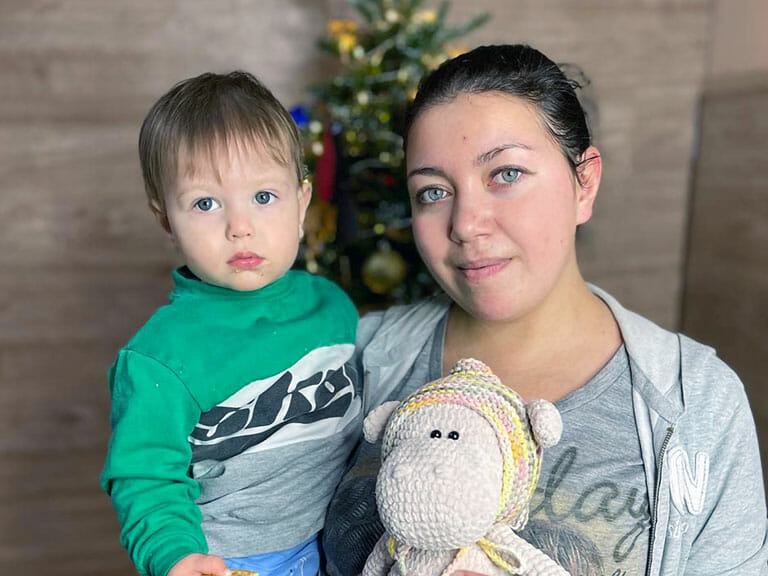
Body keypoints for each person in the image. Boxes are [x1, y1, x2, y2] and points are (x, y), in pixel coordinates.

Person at [323, 44, 768, 575]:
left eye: (506, 174)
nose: (466, 224)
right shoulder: (357, 359)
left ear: (585, 182)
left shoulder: (697, 402)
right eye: (434, 192)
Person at [101, 71, 361, 576]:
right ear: (166, 221)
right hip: (238, 560)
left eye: (264, 197)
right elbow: (145, 477)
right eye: (205, 203)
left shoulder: (333, 307)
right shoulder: (161, 357)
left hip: (345, 541)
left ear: (303, 202)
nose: (239, 226)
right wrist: (177, 556)